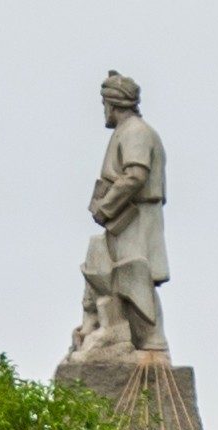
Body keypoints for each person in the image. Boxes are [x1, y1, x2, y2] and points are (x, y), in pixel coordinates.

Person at [69, 71, 170, 360]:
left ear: (113, 104)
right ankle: (113, 330)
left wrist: (106, 206)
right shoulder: (127, 131)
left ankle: (151, 343)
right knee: (108, 272)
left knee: (133, 273)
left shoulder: (135, 131)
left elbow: (136, 175)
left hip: (136, 215)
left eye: (105, 104)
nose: (104, 111)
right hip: (126, 217)